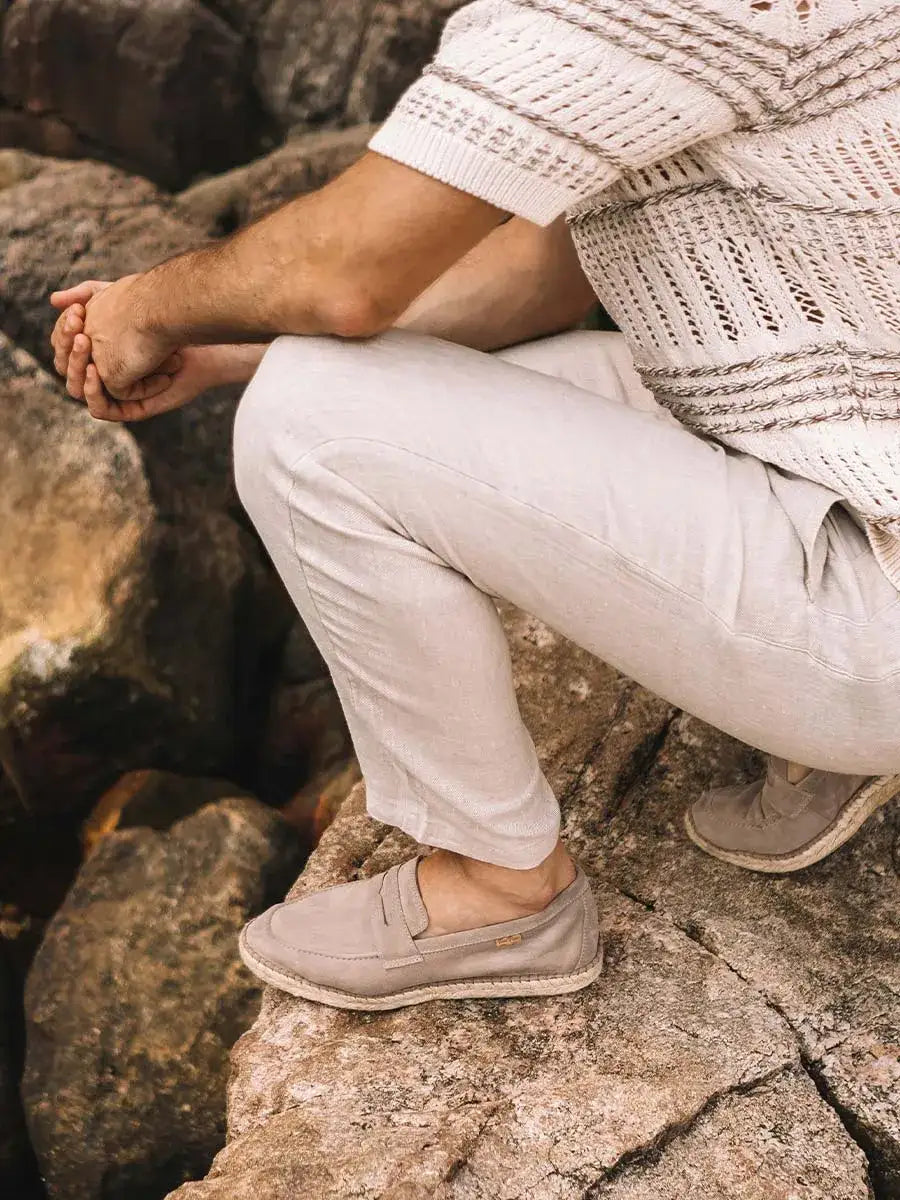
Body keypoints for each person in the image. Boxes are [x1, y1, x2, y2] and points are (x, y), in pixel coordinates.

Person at [50, 0, 900, 1011]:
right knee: (556, 368)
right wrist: (234, 345)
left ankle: (502, 892)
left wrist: (146, 308)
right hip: (851, 440)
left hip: (877, 585)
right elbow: (542, 273)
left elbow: (345, 273)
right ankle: (830, 729)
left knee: (312, 424)